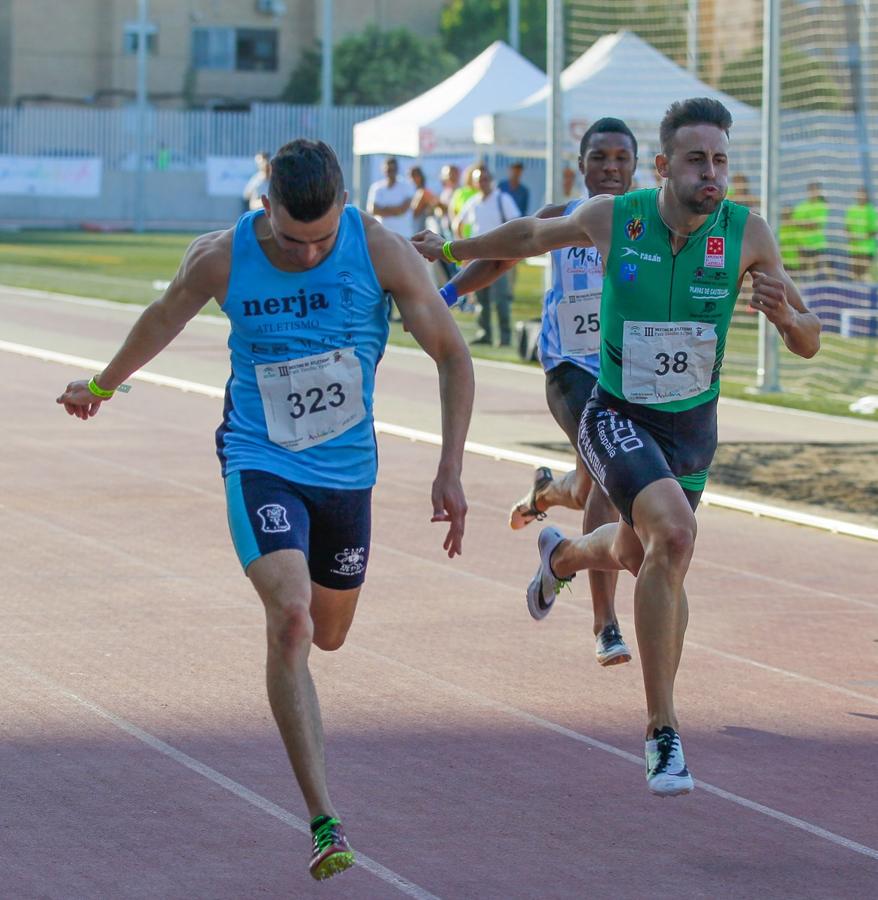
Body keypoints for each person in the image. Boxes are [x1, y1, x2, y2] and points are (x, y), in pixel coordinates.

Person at [57, 139, 474, 879]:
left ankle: (308, 674)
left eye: (321, 240)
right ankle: (324, 820)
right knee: (291, 620)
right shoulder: (220, 256)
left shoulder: (381, 251)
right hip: (261, 459)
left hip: (346, 475)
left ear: (344, 207)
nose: (308, 254)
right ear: (265, 206)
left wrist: (449, 467)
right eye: (290, 238)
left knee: (332, 633)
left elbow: (452, 353)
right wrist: (103, 383)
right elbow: (163, 318)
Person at [413, 97, 821, 797]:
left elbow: (808, 339)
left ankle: (563, 555)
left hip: (693, 427)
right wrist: (450, 252)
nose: (712, 174)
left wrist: (788, 319)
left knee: (643, 554)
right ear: (662, 167)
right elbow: (532, 236)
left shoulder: (747, 233)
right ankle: (663, 733)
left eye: (721, 160)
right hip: (615, 411)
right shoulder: (614, 217)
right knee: (675, 534)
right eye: (697, 160)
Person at [430, 118, 639, 667]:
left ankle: (545, 494)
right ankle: (605, 623)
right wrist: (448, 292)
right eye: (600, 157)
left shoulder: (652, 224)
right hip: (570, 369)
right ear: (582, 166)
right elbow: (505, 255)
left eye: (621, 157)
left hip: (630, 375)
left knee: (588, 483)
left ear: (637, 167)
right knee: (612, 484)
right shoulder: (560, 217)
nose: (611, 167)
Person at [454, 166, 521, 346]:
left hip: (499, 255)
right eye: (479, 180)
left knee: (501, 299)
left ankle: (505, 337)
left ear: (490, 180)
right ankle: (485, 333)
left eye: (485, 179)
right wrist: (464, 248)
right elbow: (458, 223)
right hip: (479, 255)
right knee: (481, 298)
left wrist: (510, 248)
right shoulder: (474, 202)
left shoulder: (502, 198)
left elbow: (516, 222)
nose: (482, 183)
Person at [366, 156, 414, 238]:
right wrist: (395, 210)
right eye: (388, 170)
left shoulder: (406, 186)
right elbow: (372, 210)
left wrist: (383, 210)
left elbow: (403, 209)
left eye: (392, 170)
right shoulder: (376, 187)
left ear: (397, 170)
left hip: (403, 235)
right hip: (382, 235)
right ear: (383, 170)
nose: (390, 172)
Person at [792, 181, 829, 279]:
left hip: (817, 245)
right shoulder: (801, 206)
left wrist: (804, 223)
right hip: (802, 244)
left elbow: (815, 224)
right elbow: (795, 223)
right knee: (804, 273)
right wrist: (806, 223)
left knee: (817, 274)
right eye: (811, 190)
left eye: (815, 190)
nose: (813, 192)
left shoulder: (821, 206)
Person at [844, 187, 877, 280]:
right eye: (859, 193)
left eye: (863, 194)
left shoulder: (870, 210)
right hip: (854, 249)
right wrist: (851, 236)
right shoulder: (851, 210)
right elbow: (847, 227)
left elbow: (874, 230)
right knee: (855, 275)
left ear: (866, 196)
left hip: (867, 249)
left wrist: (861, 238)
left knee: (864, 275)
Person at [408, 165, 439, 235]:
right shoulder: (416, 192)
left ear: (419, 176)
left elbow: (414, 213)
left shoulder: (424, 192)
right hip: (416, 231)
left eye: (413, 175)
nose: (411, 179)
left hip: (421, 232)